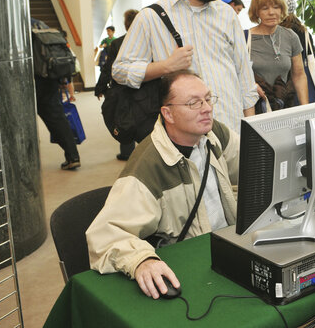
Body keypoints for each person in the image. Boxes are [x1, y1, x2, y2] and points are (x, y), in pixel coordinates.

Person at [86, 70, 239, 299]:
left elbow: (255, 165)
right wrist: (142, 260)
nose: (207, 108)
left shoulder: (215, 134)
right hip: (188, 268)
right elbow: (104, 235)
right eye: (193, 103)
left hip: (228, 250)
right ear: (168, 113)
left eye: (208, 99)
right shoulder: (147, 166)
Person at [111, 0, 258, 132]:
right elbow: (120, 70)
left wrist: (251, 128)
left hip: (232, 128)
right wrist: (165, 66)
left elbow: (243, 74)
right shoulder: (151, 18)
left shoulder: (227, 14)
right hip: (184, 137)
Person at [246, 0, 308, 111]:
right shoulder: (245, 38)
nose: (271, 12)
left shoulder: (290, 36)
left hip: (284, 106)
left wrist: (305, 108)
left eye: (276, 7)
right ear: (256, 11)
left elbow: (299, 75)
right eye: (265, 8)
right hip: (254, 108)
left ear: (282, 9)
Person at [31, 18, 81, 170]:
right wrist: (63, 78)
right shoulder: (42, 24)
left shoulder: (17, 24)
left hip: (33, 79)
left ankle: (29, 161)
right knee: (57, 119)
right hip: (50, 78)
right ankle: (73, 156)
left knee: (26, 123)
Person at [95, 9, 139, 160]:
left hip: (122, 89)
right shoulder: (148, 41)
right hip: (144, 87)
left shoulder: (117, 43)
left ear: (126, 25)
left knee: (124, 119)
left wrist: (100, 88)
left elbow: (108, 68)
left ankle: (127, 152)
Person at [280, 0, 315, 102]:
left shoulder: (280, 32)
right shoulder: (304, 30)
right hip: (305, 82)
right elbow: (312, 56)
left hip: (285, 83)